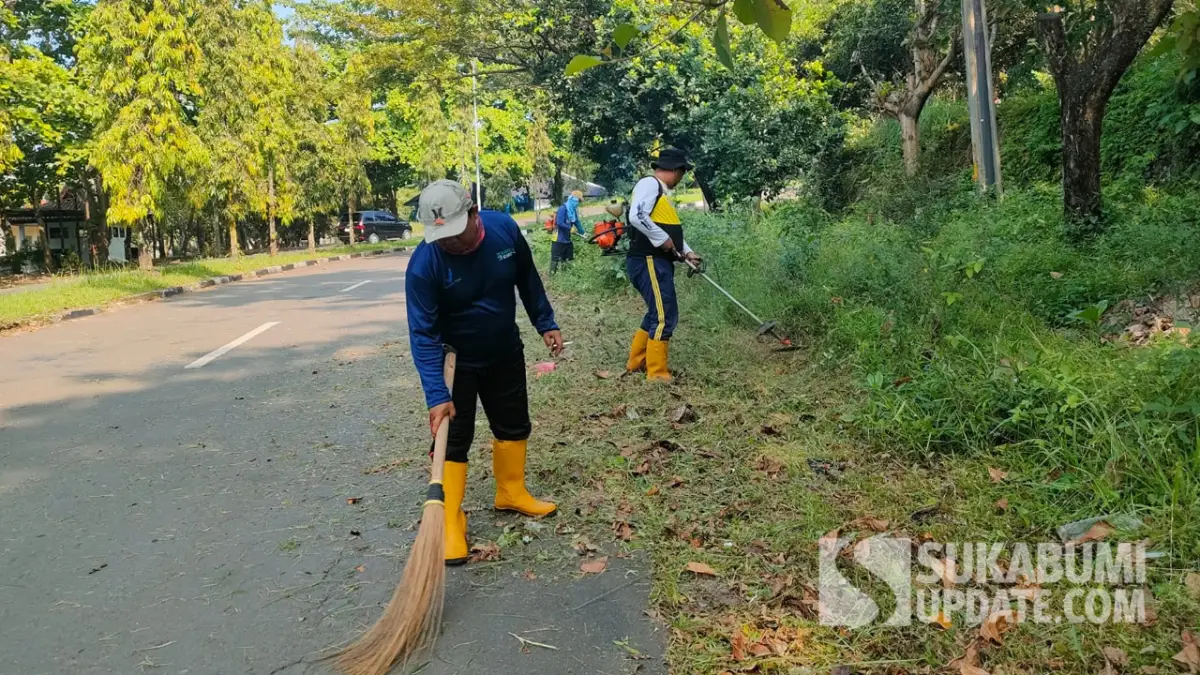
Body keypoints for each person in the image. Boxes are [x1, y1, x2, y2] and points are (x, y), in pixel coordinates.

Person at [406, 179, 565, 565]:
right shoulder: (425, 264)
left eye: (454, 233)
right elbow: (422, 335)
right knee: (454, 438)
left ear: (474, 214)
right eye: (441, 236)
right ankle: (450, 519)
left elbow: (527, 278)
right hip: (454, 363)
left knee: (513, 423)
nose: (448, 242)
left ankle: (511, 492)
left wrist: (545, 321)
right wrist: (436, 395)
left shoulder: (504, 230)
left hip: (503, 350)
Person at [624, 147, 702, 381]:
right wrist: (662, 239)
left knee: (657, 313)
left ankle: (638, 362)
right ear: (676, 170)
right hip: (648, 260)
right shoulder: (650, 184)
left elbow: (666, 230)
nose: (682, 178)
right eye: (682, 173)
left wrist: (687, 252)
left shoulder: (659, 192)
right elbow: (637, 216)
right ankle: (657, 374)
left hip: (657, 261)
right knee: (664, 315)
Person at [549, 190, 585, 273]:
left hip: (567, 238)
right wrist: (569, 228)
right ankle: (552, 275)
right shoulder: (563, 209)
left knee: (568, 257)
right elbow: (559, 222)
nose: (578, 203)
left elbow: (577, 222)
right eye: (578, 201)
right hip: (558, 238)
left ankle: (565, 274)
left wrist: (583, 232)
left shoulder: (573, 211)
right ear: (573, 199)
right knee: (555, 258)